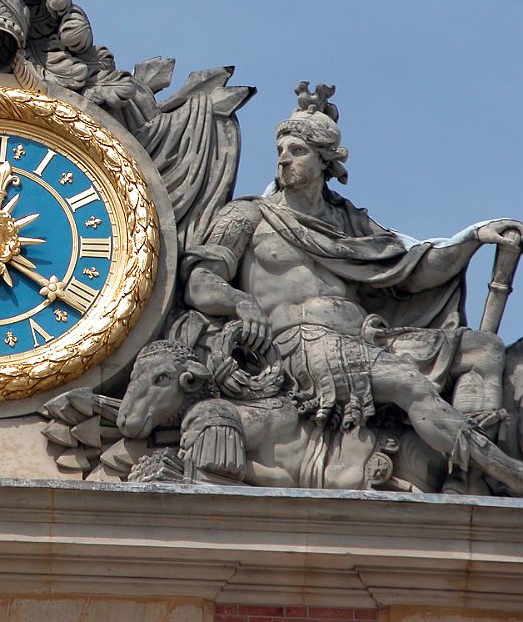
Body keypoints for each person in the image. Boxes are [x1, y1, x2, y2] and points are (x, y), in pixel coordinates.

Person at [184, 83, 523, 492]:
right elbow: (200, 282)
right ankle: (505, 472)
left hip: (367, 338)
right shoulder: (248, 216)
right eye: (280, 152)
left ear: (325, 160)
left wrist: (474, 236)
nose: (284, 160)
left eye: (297, 151)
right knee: (407, 383)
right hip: (300, 344)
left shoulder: (348, 223)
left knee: (481, 348)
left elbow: (413, 269)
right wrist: (242, 303)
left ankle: (468, 477)